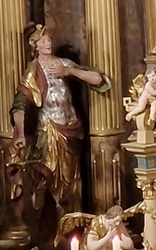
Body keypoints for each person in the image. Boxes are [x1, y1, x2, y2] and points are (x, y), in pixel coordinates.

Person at [11, 24, 110, 215]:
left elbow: (99, 80)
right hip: (47, 131)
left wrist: (69, 72)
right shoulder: (32, 71)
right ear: (35, 45)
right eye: (43, 41)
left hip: (70, 129)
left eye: (49, 39)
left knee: (71, 179)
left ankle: (72, 220)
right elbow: (20, 105)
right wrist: (21, 133)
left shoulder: (63, 64)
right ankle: (49, 217)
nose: (48, 43)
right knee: (48, 176)